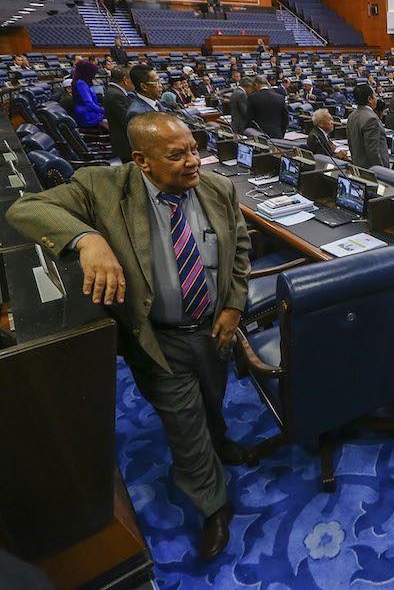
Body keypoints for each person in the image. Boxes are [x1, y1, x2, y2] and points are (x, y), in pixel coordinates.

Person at [6, 112, 251, 560]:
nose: (194, 161)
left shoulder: (219, 188)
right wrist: (86, 239)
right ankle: (214, 506)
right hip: (156, 340)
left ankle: (220, 439)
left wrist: (234, 305)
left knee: (212, 397)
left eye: (194, 148)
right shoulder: (103, 186)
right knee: (182, 422)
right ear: (141, 160)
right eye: (177, 155)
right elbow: (24, 209)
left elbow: (240, 250)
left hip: (214, 326)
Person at [346, 83, 389, 168]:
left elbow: (351, 144)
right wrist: (381, 172)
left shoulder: (351, 116)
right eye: (375, 95)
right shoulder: (371, 119)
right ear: (370, 99)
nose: (376, 98)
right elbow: (373, 151)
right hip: (372, 170)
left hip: (358, 165)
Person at [105, 66, 135, 161]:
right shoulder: (116, 95)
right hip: (125, 144)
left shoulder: (113, 91)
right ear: (125, 80)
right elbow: (127, 120)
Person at [247, 75, 288, 139]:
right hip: (276, 133)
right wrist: (281, 133)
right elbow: (285, 118)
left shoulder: (252, 97)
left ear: (256, 85)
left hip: (259, 134)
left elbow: (248, 117)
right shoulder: (280, 97)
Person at [71, 61, 107, 129]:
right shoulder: (81, 83)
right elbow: (89, 104)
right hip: (87, 116)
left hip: (89, 113)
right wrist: (104, 111)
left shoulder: (81, 82)